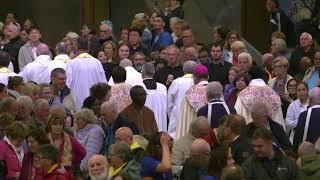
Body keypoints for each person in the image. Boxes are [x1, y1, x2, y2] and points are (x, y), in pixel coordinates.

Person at [66, 37, 107, 110]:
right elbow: (103, 83)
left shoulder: (72, 63)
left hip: (76, 100)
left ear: (76, 47)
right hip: (94, 101)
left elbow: (67, 84)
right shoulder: (97, 62)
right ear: (88, 47)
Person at [176, 64, 209, 139]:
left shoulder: (190, 93)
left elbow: (183, 117)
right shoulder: (215, 90)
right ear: (208, 77)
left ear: (195, 77)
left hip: (193, 133)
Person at [168, 60, 196, 138]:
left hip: (177, 116)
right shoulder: (197, 82)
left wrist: (171, 116)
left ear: (183, 70)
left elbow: (169, 102)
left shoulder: (176, 82)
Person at [141, 63, 167, 132]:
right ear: (154, 72)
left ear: (142, 72)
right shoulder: (162, 87)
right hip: (161, 123)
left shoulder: (139, 87)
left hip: (145, 123)